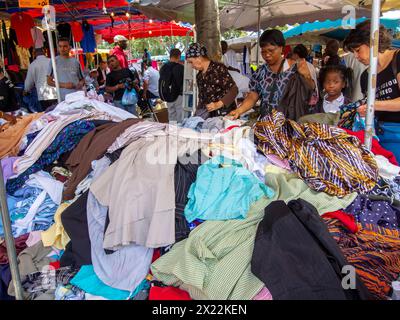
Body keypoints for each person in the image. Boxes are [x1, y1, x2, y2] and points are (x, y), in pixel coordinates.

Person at [344, 20, 400, 160]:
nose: (356, 57)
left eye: (358, 50)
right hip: (379, 137)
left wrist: (373, 105)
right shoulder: (365, 76)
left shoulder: (398, 59)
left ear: (372, 42)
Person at [229, 29, 315, 119]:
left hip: (291, 122)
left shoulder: (296, 68)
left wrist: (307, 76)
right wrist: (239, 110)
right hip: (267, 125)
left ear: (281, 48)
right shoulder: (260, 72)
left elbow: (312, 91)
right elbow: (253, 96)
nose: (267, 55)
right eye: (263, 51)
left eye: (271, 50)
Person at [186, 43, 238, 119]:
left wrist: (218, 104)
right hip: (210, 118)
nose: (192, 66)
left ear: (199, 57)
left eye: (191, 62)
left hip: (226, 115)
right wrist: (196, 117)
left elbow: (234, 90)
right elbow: (202, 100)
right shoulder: (199, 76)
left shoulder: (218, 69)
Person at [47, 38, 84, 102]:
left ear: (69, 47)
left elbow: (82, 79)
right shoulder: (54, 61)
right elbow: (49, 82)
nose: (62, 49)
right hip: (63, 99)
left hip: (77, 97)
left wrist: (80, 84)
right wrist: (64, 85)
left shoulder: (75, 61)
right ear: (58, 48)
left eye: (65, 46)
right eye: (60, 46)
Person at [159, 48, 184, 123]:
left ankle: (172, 131)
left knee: (171, 115)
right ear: (179, 56)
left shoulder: (163, 67)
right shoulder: (181, 68)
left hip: (167, 94)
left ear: (170, 56)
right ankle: (180, 132)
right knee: (180, 116)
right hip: (178, 95)